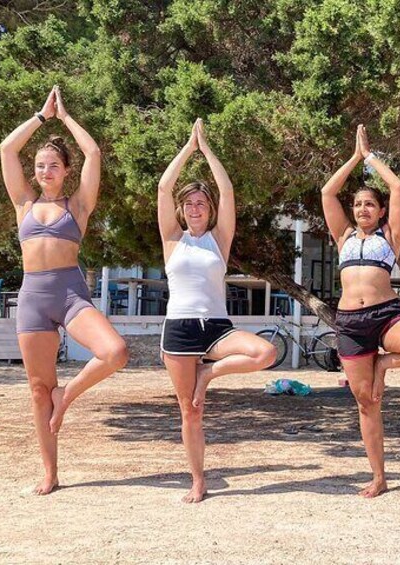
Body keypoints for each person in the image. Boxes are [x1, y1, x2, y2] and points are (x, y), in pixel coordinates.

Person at [0, 86, 128, 495]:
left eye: (53, 165)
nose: (45, 171)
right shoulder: (23, 203)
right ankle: (51, 472)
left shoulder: (78, 205)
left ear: (65, 170)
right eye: (39, 165)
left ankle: (67, 394)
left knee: (115, 352)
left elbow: (93, 154)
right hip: (33, 299)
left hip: (71, 293)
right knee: (38, 390)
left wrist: (66, 118)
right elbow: (6, 149)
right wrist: (41, 117)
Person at [321, 125, 400, 498]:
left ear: (379, 212)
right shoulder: (343, 236)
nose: (363, 208)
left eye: (369, 204)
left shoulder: (390, 236)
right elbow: (328, 191)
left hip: (387, 316)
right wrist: (353, 158)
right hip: (350, 323)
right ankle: (379, 476)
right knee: (368, 402)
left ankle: (385, 363)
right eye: (358, 204)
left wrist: (371, 157)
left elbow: (396, 188)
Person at [158, 118, 276, 503]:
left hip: (217, 329)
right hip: (179, 330)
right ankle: (197, 480)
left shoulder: (218, 241)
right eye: (189, 203)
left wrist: (205, 148)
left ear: (209, 210)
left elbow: (226, 189)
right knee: (190, 411)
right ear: (181, 209)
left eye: (201, 203)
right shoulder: (172, 240)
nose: (195, 208)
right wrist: (186, 149)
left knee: (265, 352)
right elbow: (163, 186)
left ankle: (209, 372)